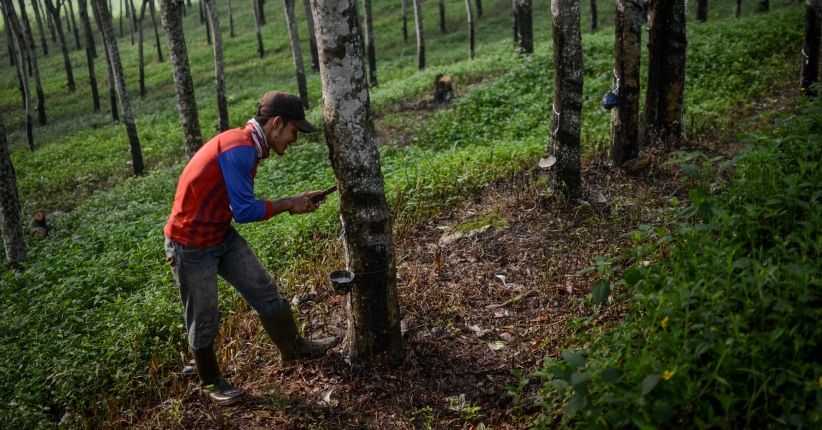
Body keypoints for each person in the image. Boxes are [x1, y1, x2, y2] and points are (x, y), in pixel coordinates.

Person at [163, 91, 338, 406]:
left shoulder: (248, 146)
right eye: (293, 131)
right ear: (276, 123)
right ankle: (211, 381)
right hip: (190, 244)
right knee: (203, 316)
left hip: (219, 233)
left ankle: (293, 348)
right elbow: (243, 211)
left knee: (263, 289)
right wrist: (289, 204)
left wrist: (295, 200)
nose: (294, 138)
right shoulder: (239, 148)